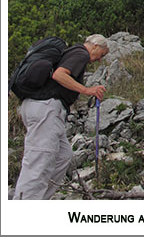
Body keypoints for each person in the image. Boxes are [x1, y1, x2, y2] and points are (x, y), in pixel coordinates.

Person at [13, 34, 109, 200]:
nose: (100, 59)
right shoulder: (81, 53)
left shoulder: (72, 53)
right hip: (46, 107)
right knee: (39, 160)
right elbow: (59, 75)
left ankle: (37, 197)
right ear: (95, 46)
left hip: (40, 107)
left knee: (63, 156)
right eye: (102, 54)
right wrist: (87, 90)